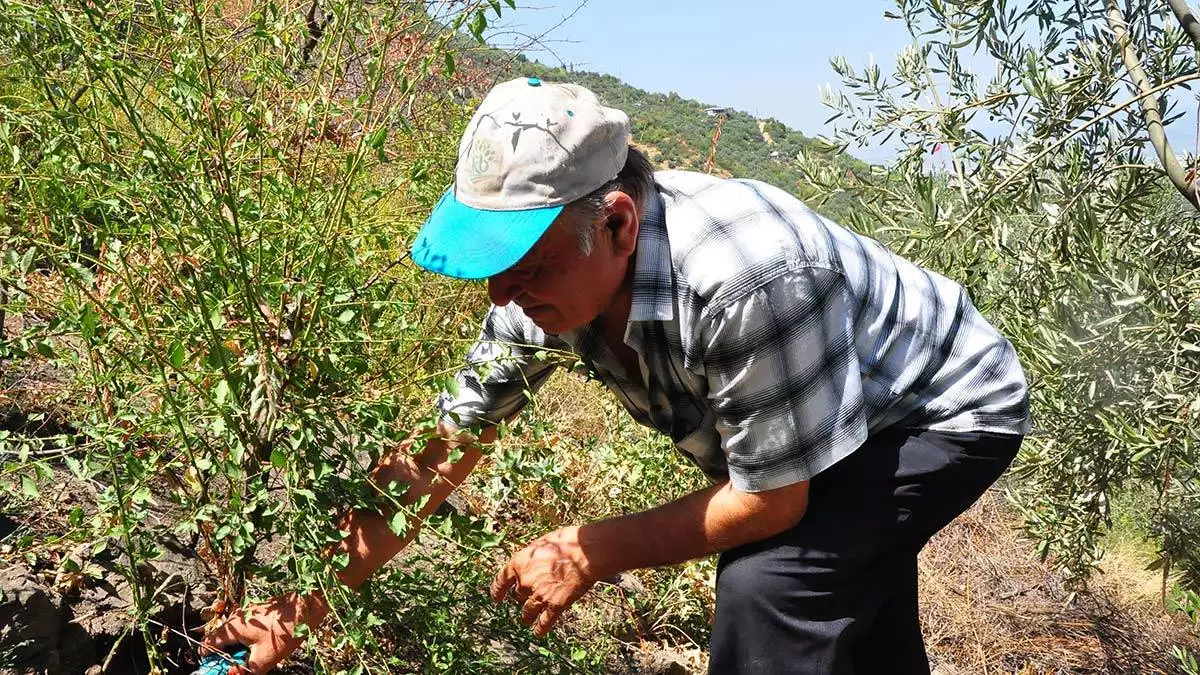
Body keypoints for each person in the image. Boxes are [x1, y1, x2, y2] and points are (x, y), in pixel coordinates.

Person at [204, 77, 1031, 674]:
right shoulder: (537, 298)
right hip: (819, 404)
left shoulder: (748, 277)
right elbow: (430, 461)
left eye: (522, 263)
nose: (502, 294)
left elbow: (772, 498)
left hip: (934, 408)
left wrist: (590, 547)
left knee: (772, 589)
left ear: (617, 223)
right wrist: (299, 604)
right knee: (840, 601)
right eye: (491, 267)